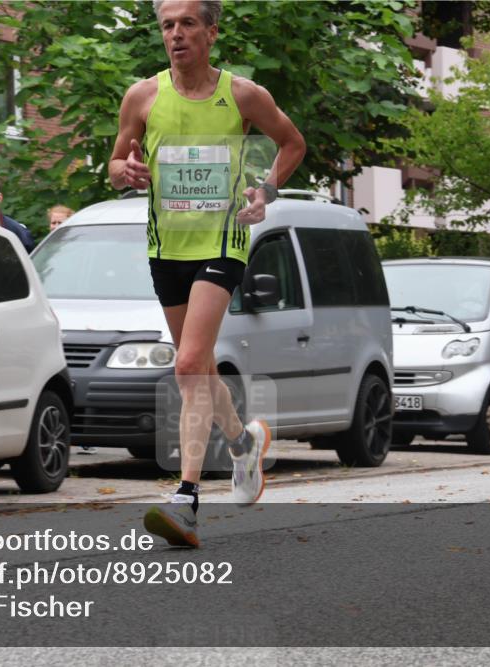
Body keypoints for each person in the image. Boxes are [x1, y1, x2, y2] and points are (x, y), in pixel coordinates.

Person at [108, 0, 305, 547]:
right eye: (167, 25)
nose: (176, 34)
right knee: (198, 370)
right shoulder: (143, 96)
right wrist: (124, 170)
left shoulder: (243, 95)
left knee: (191, 362)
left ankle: (186, 499)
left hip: (223, 240)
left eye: (188, 23)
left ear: (211, 33)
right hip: (165, 244)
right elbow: (114, 163)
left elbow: (293, 143)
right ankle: (243, 444)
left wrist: (265, 191)